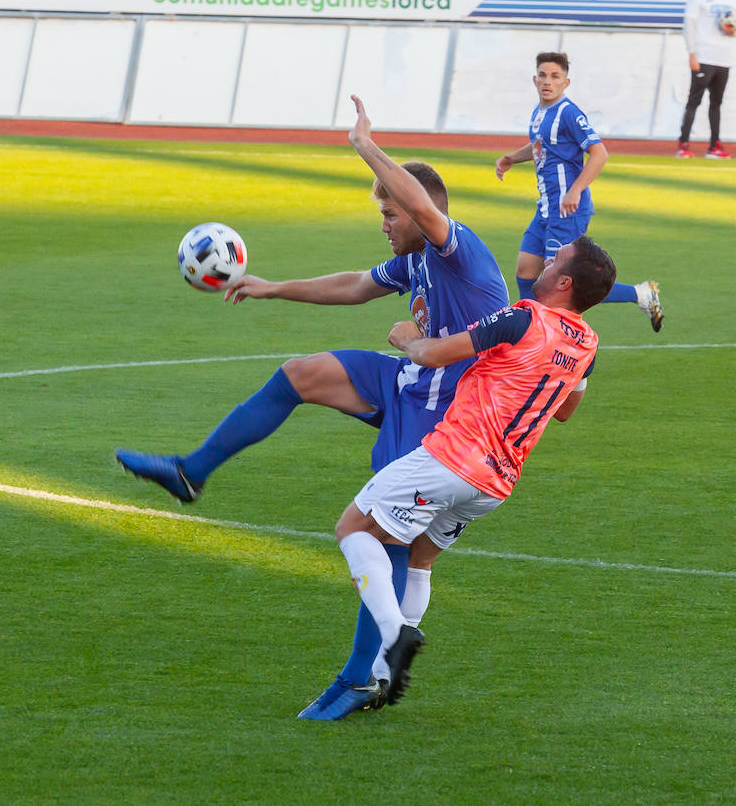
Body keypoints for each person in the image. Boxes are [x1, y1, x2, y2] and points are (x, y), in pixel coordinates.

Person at [115, 95, 510, 720]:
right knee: (299, 375)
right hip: (409, 379)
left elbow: (415, 207)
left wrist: (365, 147)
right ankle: (191, 470)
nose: (383, 220)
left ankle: (361, 678)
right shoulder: (416, 259)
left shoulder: (457, 250)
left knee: (387, 531)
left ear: (415, 208)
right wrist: (273, 287)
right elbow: (357, 285)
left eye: (388, 209)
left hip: (447, 410)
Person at [335, 235, 616, 707]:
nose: (545, 264)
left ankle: (394, 632)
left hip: (454, 457)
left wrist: (406, 336)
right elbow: (566, 410)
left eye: (556, 260)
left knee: (352, 529)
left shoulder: (522, 316)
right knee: (420, 558)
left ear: (564, 281)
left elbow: (433, 354)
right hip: (497, 482)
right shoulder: (588, 343)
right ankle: (383, 679)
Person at [494, 51, 665, 332]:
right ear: (534, 79)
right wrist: (512, 158)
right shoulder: (540, 112)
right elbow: (541, 145)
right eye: (543, 75)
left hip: (567, 210)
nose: (547, 81)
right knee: (526, 270)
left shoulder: (569, 112)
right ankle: (530, 331)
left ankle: (638, 295)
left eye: (555, 76)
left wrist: (575, 190)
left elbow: (600, 153)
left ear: (566, 82)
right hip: (546, 208)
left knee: (560, 283)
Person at [676, 0, 736, 160]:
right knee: (694, 101)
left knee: (716, 103)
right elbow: (689, 25)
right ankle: (683, 144)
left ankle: (714, 146)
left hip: (724, 57)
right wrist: (692, 53)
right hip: (703, 56)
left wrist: (733, 30)